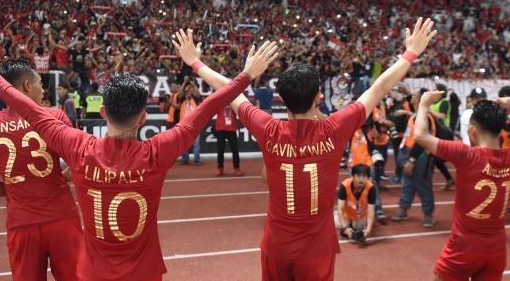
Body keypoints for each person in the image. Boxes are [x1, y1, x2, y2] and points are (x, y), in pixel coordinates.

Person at [0, 39, 278, 281]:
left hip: (94, 272)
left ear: (103, 112)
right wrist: (245, 73)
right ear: (142, 119)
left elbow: (31, 112)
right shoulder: (157, 152)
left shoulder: (79, 149)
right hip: (144, 272)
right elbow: (206, 109)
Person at [172, 17, 436, 280]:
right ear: (318, 98)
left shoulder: (268, 128)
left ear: (282, 101)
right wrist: (410, 52)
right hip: (317, 249)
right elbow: (379, 88)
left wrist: (196, 62)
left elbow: (229, 92)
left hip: (277, 245)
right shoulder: (334, 128)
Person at [0, 60, 82, 280]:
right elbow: (78, 165)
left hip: (21, 223)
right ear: (28, 86)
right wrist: (55, 178)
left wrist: (20, 185)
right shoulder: (55, 117)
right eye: (40, 83)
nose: (44, 89)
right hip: (62, 217)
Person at [414, 91, 510, 281]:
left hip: (463, 248)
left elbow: (420, 135)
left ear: (473, 131)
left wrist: (424, 105)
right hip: (496, 250)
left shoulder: (466, 154)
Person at [391, 88, 437, 228]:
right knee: (407, 184)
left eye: (415, 95)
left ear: (420, 99)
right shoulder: (415, 116)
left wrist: (411, 160)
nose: (412, 96)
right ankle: (403, 209)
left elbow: (422, 141)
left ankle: (428, 215)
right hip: (409, 154)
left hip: (420, 156)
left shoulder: (424, 117)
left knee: (422, 185)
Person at [336, 164, 376, 243]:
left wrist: (368, 229)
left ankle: (352, 227)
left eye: (364, 176)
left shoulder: (371, 188)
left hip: (360, 215)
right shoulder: (344, 185)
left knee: (358, 227)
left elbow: (371, 211)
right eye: (358, 176)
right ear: (353, 176)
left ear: (368, 178)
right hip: (346, 214)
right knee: (338, 223)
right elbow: (340, 209)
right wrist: (344, 227)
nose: (361, 179)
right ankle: (347, 226)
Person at [429, 84, 455, 190]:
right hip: (435, 133)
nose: (433, 91)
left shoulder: (444, 102)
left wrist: (429, 110)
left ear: (441, 92)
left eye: (435, 90)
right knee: (433, 158)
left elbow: (441, 116)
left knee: (436, 158)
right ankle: (449, 179)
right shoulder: (432, 103)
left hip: (444, 134)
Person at [178, 79, 202, 165]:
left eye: (191, 87)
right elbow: (179, 93)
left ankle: (197, 160)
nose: (190, 88)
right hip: (183, 124)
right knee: (184, 143)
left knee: (196, 144)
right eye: (189, 87)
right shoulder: (182, 97)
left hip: (194, 124)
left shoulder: (196, 98)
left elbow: (198, 94)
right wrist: (184, 83)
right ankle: (185, 159)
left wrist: (194, 85)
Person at [214, 105, 243, 177]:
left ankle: (237, 168)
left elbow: (239, 112)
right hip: (221, 128)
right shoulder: (219, 102)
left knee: (235, 150)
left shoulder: (234, 103)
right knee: (220, 150)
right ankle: (220, 168)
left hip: (232, 129)